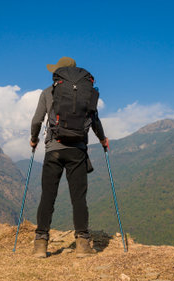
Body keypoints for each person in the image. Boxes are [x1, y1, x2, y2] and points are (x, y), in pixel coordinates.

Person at [30, 57, 109, 258]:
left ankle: (40, 243)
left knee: (48, 196)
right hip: (77, 151)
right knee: (78, 198)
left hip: (54, 150)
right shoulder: (87, 93)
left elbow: (37, 120)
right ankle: (82, 244)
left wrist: (33, 140)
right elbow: (95, 120)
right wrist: (102, 140)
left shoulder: (48, 92)